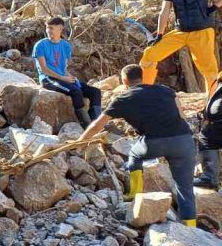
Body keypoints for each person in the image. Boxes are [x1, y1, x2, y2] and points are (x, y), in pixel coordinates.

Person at [78, 64, 198, 227]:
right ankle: (190, 227)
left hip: (154, 142)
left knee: (135, 154)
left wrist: (79, 144)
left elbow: (96, 126)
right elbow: (182, 116)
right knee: (185, 188)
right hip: (184, 141)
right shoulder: (166, 90)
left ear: (124, 80)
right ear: (142, 77)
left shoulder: (123, 99)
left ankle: (135, 193)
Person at [141, 0, 219, 96]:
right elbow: (164, 11)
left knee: (210, 71)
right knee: (149, 54)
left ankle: (212, 106)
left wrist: (216, 5)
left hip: (201, 31)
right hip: (180, 31)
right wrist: (159, 34)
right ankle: (143, 95)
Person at [32, 16, 101, 127]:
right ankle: (87, 126)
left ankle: (97, 123)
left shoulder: (65, 46)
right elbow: (44, 69)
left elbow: (63, 68)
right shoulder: (40, 45)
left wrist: (71, 77)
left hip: (62, 77)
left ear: (60, 29)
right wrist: (63, 78)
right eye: (47, 28)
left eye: (51, 28)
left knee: (95, 92)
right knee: (76, 92)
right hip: (48, 78)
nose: (48, 31)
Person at [193, 70, 222, 189]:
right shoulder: (217, 82)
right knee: (205, 139)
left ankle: (210, 178)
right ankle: (210, 177)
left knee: (206, 140)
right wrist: (204, 113)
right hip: (214, 124)